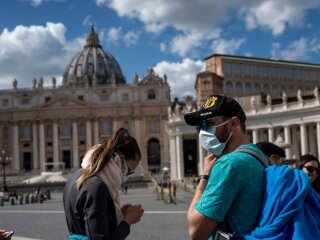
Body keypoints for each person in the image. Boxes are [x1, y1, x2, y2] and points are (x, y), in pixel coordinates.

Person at [184, 94, 270, 239]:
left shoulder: (228, 164)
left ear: (234, 124)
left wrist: (204, 178)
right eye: (200, 127)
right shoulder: (261, 157)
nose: (203, 132)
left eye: (208, 124)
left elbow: (196, 231)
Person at [63, 128, 144, 240]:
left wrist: (119, 213)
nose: (127, 175)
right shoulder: (96, 186)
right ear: (120, 159)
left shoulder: (75, 177)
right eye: (130, 170)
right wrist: (127, 221)